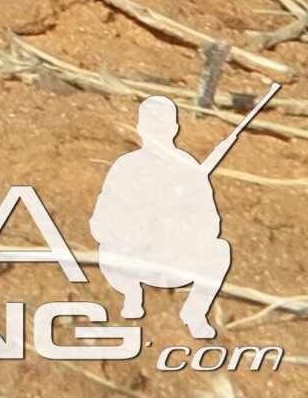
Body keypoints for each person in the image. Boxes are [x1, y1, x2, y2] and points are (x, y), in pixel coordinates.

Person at [90, 94, 234, 337]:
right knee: (107, 247)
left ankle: (195, 312)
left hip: (174, 258)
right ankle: (131, 295)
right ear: (140, 129)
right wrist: (135, 226)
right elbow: (100, 220)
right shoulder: (126, 166)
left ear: (174, 128)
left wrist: (179, 225)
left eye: (163, 125)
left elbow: (211, 222)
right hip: (132, 258)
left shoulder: (189, 168)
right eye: (151, 125)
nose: (157, 132)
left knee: (220, 250)